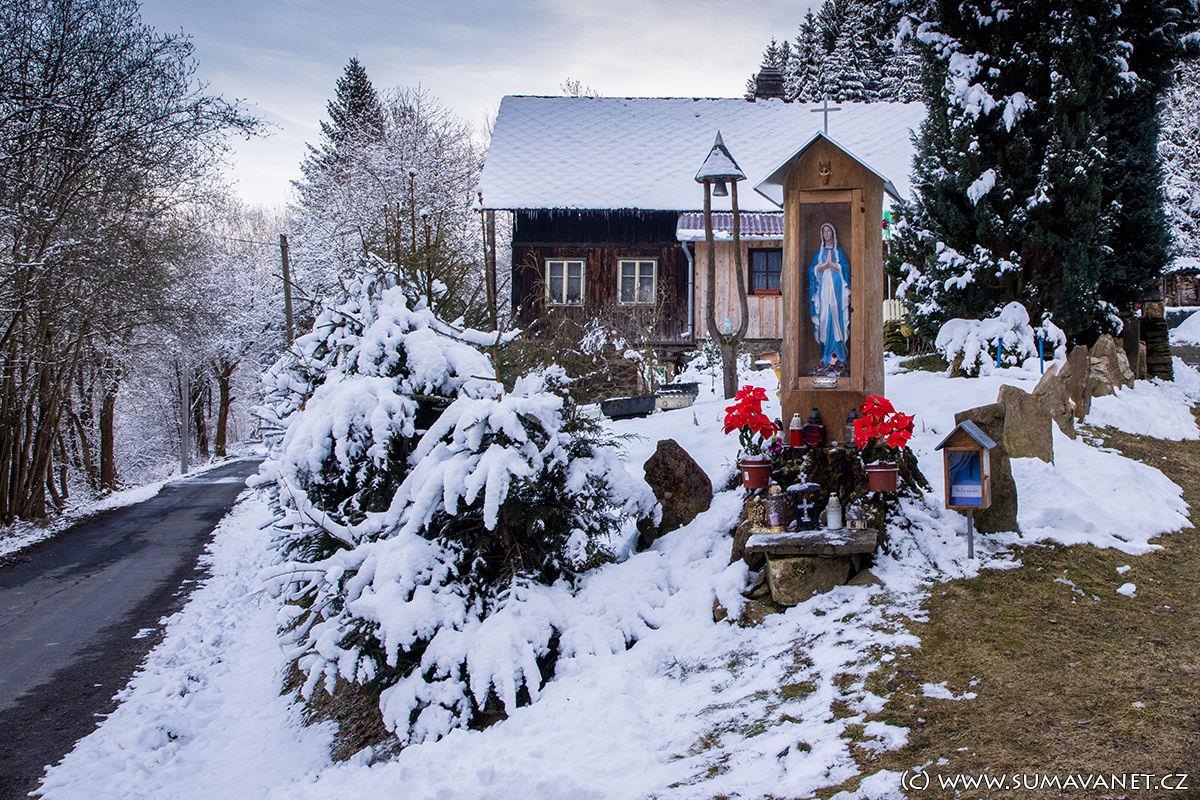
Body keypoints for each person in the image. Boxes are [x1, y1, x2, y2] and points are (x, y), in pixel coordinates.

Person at [808, 222, 850, 373]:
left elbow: (845, 269)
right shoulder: (819, 253)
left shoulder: (839, 252)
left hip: (837, 292)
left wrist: (833, 265)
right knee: (824, 318)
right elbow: (811, 270)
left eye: (829, 231)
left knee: (837, 318)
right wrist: (821, 266)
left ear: (833, 233)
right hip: (823, 292)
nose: (827, 234)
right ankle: (826, 356)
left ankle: (839, 356)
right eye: (824, 231)